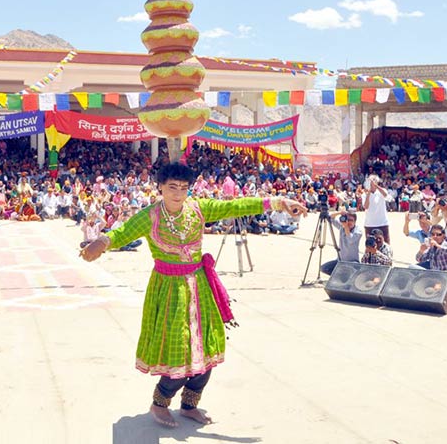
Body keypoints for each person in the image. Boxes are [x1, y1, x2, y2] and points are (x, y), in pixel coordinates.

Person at [80, 162, 307, 428]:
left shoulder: (198, 208)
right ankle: (159, 404)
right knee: (176, 352)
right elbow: (122, 233)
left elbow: (235, 205)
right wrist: (102, 242)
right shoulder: (150, 215)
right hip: (168, 290)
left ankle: (189, 405)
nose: (178, 193)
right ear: (161, 188)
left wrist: (280, 202)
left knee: (206, 349)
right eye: (172, 187)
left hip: (199, 287)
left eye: (184, 188)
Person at [320, 211, 363, 275]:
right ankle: (339, 277)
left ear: (355, 221)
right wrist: (340, 212)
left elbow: (350, 239)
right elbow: (330, 218)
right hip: (340, 261)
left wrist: (345, 227)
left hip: (353, 263)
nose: (349, 222)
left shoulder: (358, 232)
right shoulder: (342, 227)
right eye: (347, 220)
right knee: (324, 268)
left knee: (350, 273)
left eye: (351, 220)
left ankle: (342, 276)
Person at [363, 175, 391, 243]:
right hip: (370, 224)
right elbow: (366, 206)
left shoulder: (381, 191)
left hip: (382, 222)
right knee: (370, 245)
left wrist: (376, 186)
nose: (371, 182)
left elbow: (385, 195)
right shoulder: (365, 194)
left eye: (373, 180)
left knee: (386, 243)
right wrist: (369, 192)